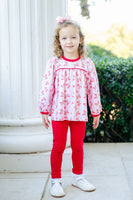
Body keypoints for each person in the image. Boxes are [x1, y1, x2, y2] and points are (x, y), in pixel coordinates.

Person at [38, 16, 102, 198]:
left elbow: (93, 88)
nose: (69, 41)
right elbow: (47, 86)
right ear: (59, 41)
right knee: (58, 146)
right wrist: (44, 108)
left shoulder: (87, 63)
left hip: (79, 112)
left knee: (78, 146)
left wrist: (95, 110)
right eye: (64, 38)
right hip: (59, 112)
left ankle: (78, 177)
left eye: (73, 37)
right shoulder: (54, 63)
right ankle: (55, 180)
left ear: (80, 39)